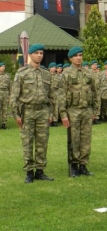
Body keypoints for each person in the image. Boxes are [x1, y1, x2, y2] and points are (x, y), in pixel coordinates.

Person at [9, 44, 56, 183]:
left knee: (42, 142)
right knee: (27, 142)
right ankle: (29, 172)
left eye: (41, 53)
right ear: (30, 55)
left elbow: (52, 96)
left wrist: (51, 113)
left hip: (43, 111)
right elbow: (14, 97)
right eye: (36, 53)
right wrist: (17, 116)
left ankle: (40, 171)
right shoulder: (22, 73)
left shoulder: (46, 73)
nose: (39, 55)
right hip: (27, 111)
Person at [59, 47, 98, 177]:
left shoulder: (88, 72)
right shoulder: (66, 74)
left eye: (80, 55)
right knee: (74, 139)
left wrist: (95, 111)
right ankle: (74, 166)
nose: (79, 58)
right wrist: (63, 115)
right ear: (70, 58)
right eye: (76, 56)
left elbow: (94, 92)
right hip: (73, 111)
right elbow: (61, 95)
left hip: (87, 110)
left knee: (86, 139)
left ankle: (83, 165)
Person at [48, 62, 61, 127]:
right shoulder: (47, 75)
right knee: (50, 107)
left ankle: (55, 121)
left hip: (56, 93)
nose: (54, 68)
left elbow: (60, 86)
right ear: (49, 68)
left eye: (55, 67)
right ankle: (50, 121)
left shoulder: (58, 76)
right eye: (52, 67)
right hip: (49, 94)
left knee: (56, 107)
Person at [0, 62, 11, 129]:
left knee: (5, 109)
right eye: (1, 66)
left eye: (4, 66)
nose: (3, 67)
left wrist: (10, 95)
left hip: (6, 93)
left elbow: (10, 86)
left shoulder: (7, 75)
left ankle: (4, 124)